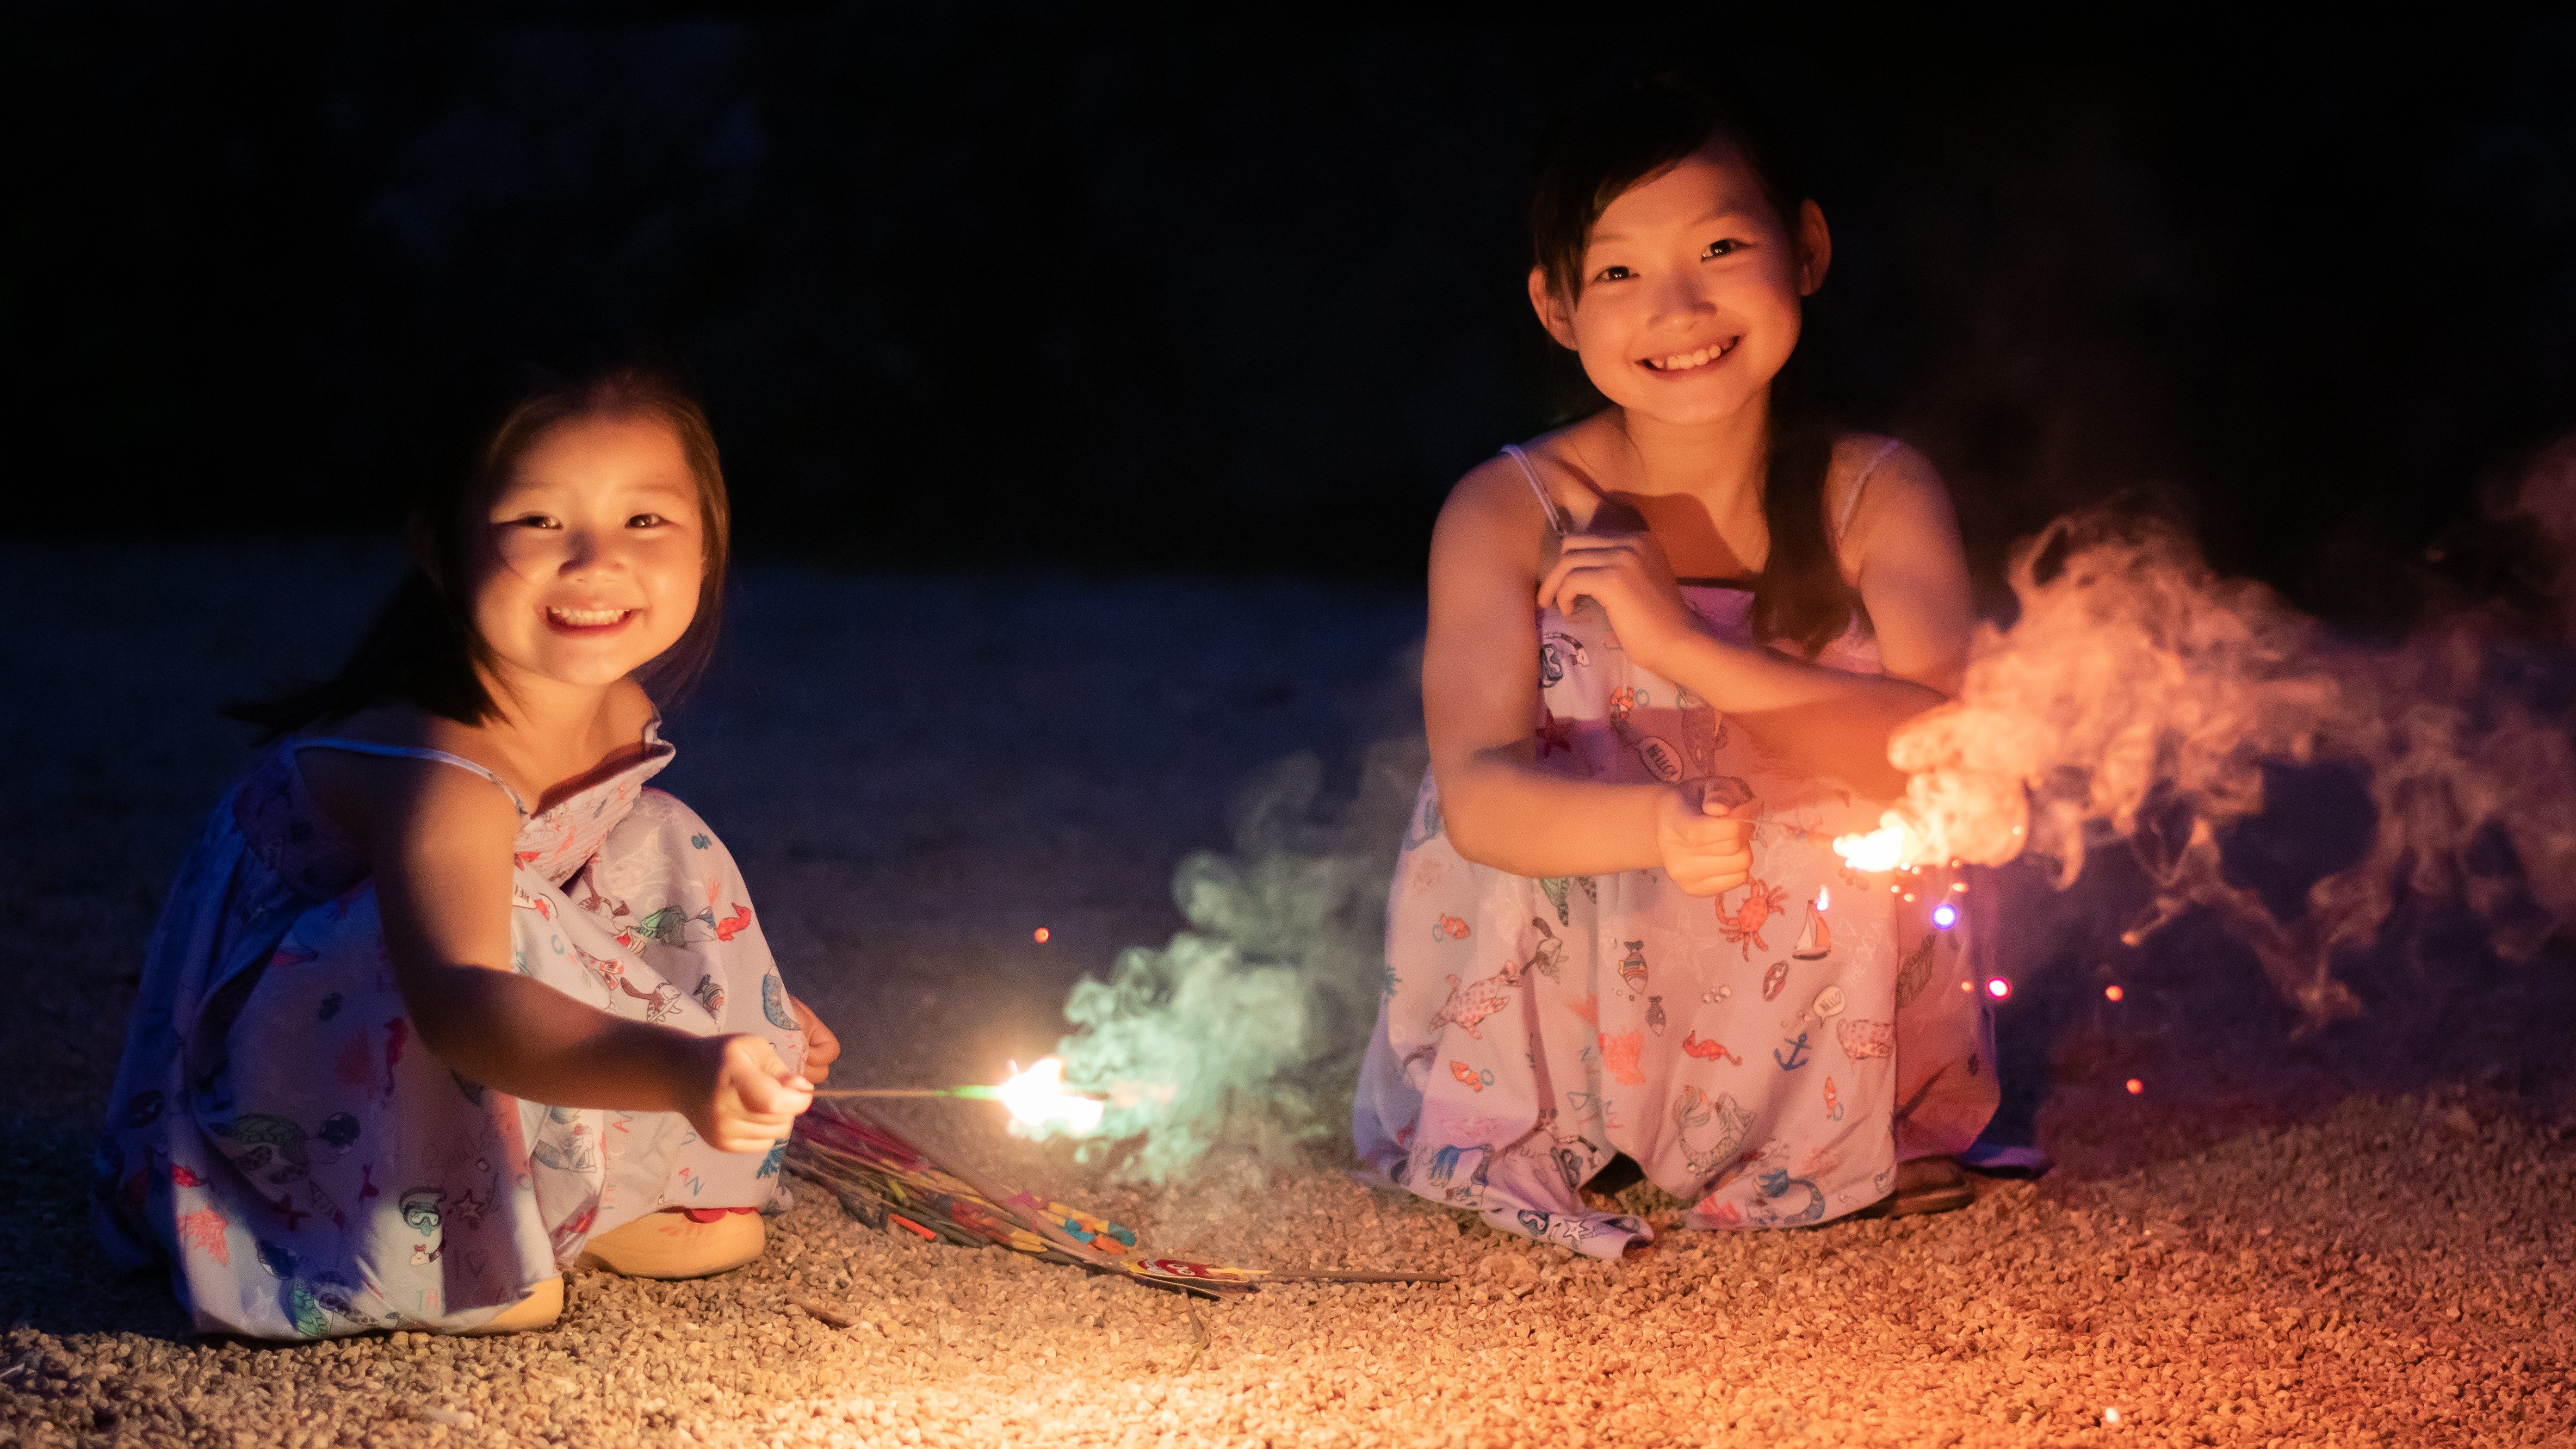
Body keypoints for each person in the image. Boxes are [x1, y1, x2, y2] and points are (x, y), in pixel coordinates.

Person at [1353, 75, 1996, 1256]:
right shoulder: (1509, 511)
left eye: (1719, 244)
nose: (1679, 304)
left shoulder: (1876, 493)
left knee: (1848, 829)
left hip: (1806, 953)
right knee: (1533, 814)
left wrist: (1683, 648)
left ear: (1805, 248)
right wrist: (1654, 825)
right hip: (1586, 947)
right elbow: (1483, 798)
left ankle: (1830, 1136)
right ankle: (1607, 1149)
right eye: (1618, 272)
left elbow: (1948, 767)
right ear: (1555, 307)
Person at [92, 365, 841, 1336]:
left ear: (709, 543)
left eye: (646, 523)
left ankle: (614, 1191)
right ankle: (435, 1232)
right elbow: (463, 1001)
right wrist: (679, 1068)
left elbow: (600, 891)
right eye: (538, 521)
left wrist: (747, 1004)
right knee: (504, 921)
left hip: (463, 982)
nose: (595, 562)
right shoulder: (438, 764)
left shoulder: (620, 710)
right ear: (440, 547)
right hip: (299, 1056)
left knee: (666, 835)